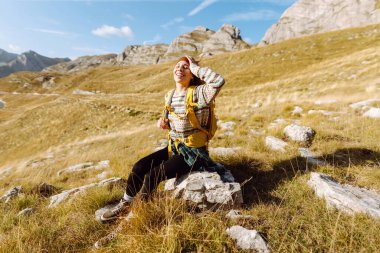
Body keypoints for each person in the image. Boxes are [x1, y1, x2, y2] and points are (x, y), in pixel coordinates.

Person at [101, 55, 226, 221]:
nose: (179, 69)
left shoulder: (200, 93)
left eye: (185, 67)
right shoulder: (169, 95)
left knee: (153, 176)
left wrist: (195, 67)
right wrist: (163, 122)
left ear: (192, 75)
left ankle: (135, 215)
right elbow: (170, 118)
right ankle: (126, 203)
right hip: (174, 148)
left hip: (193, 154)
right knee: (139, 167)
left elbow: (218, 81)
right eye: (177, 66)